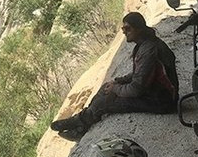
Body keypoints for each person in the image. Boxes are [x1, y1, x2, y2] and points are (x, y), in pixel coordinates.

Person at [50, 12, 178, 140]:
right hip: (155, 91)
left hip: (161, 101)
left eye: (128, 28)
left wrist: (115, 88)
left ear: (139, 29)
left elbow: (136, 89)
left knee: (104, 103)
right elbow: (142, 73)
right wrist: (118, 81)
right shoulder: (146, 44)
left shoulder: (148, 50)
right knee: (107, 87)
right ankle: (81, 122)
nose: (124, 32)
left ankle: (79, 126)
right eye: (123, 29)